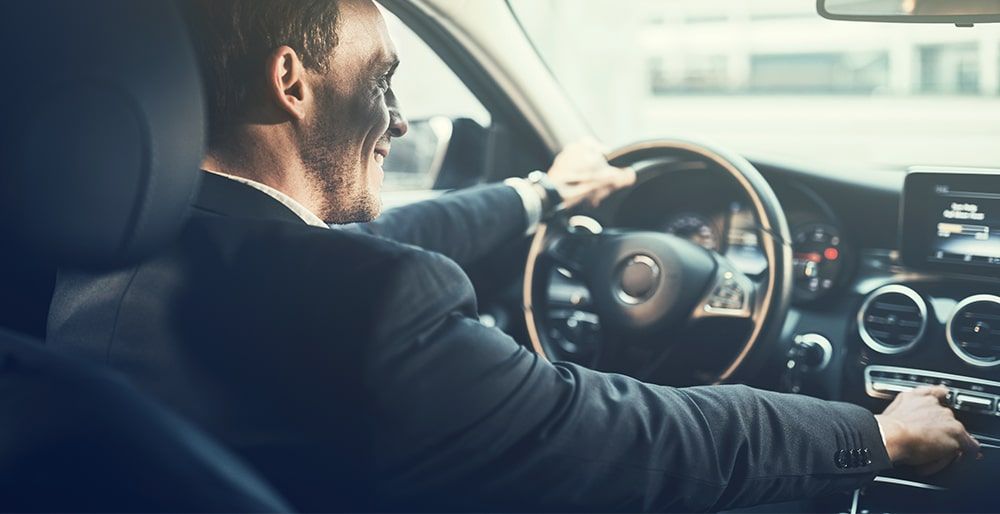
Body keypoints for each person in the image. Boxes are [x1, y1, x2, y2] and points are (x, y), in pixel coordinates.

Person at [48, 0, 978, 511]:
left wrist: (539, 195)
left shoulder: (100, 252)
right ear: (291, 83)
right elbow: (623, 440)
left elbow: (371, 249)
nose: (400, 120)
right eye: (383, 83)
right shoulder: (368, 307)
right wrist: (876, 435)